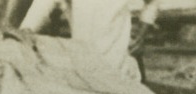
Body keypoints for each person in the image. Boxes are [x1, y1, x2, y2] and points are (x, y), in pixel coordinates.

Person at [18, 0, 162, 81]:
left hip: (121, 68)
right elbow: (42, 6)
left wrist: (141, 35)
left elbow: (152, 2)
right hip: (86, 68)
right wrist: (24, 31)